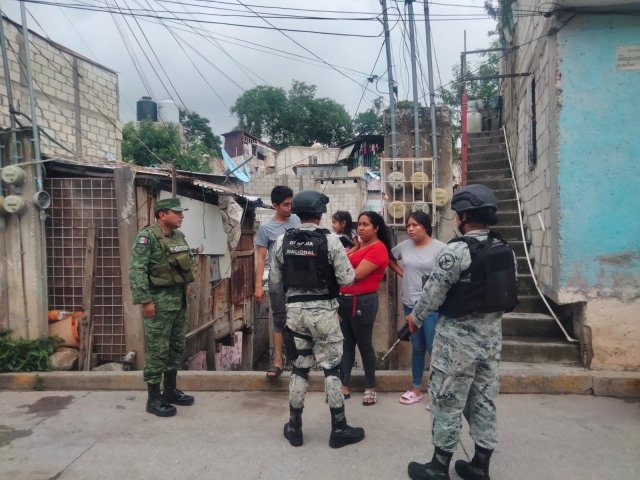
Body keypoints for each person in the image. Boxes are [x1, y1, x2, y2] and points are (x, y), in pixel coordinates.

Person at [405, 184, 518, 480]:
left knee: (446, 400)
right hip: (491, 339)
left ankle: (438, 468)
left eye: (457, 214)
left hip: (457, 342)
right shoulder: (505, 248)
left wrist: (415, 319)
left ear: (465, 215)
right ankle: (480, 466)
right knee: (483, 398)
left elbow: (432, 294)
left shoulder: (456, 251)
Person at [270, 189, 364, 449]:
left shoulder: (282, 241)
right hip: (324, 312)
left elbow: (276, 281)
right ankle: (339, 429)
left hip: (295, 312)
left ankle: (295, 429)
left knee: (299, 368)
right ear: (320, 213)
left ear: (297, 213)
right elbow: (347, 279)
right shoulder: (332, 241)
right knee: (331, 369)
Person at [129, 197, 196, 418]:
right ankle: (153, 398)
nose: (181, 216)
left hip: (178, 301)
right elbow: (137, 271)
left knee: (176, 347)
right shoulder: (147, 237)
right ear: (162, 215)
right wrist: (146, 301)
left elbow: (188, 261)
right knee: (158, 350)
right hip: (158, 303)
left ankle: (170, 391)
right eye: (176, 212)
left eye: (181, 212)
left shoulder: (178, 236)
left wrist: (186, 283)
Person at [388, 212, 445, 407]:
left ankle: (438, 394)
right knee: (417, 348)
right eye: (408, 225)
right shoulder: (404, 246)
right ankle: (416, 389)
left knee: (433, 349)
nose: (410, 229)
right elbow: (389, 258)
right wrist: (403, 273)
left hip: (431, 307)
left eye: (415, 225)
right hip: (410, 303)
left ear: (426, 227)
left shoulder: (441, 249)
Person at [338, 211, 391, 406]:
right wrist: (354, 248)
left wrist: (336, 268)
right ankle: (344, 384)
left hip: (362, 302)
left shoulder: (378, 249)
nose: (360, 228)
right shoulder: (359, 247)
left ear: (376, 228)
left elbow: (357, 275)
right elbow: (342, 263)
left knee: (365, 345)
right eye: (359, 224)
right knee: (346, 344)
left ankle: (370, 387)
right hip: (343, 300)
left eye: (366, 224)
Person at [254, 186, 300, 379]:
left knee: (300, 317)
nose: (290, 208)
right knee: (279, 318)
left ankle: (301, 361)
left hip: (299, 279)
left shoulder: (297, 221)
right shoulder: (266, 229)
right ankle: (278, 361)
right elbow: (262, 258)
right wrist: (258, 286)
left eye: (291, 203)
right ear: (275, 206)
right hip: (277, 279)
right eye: (286, 204)